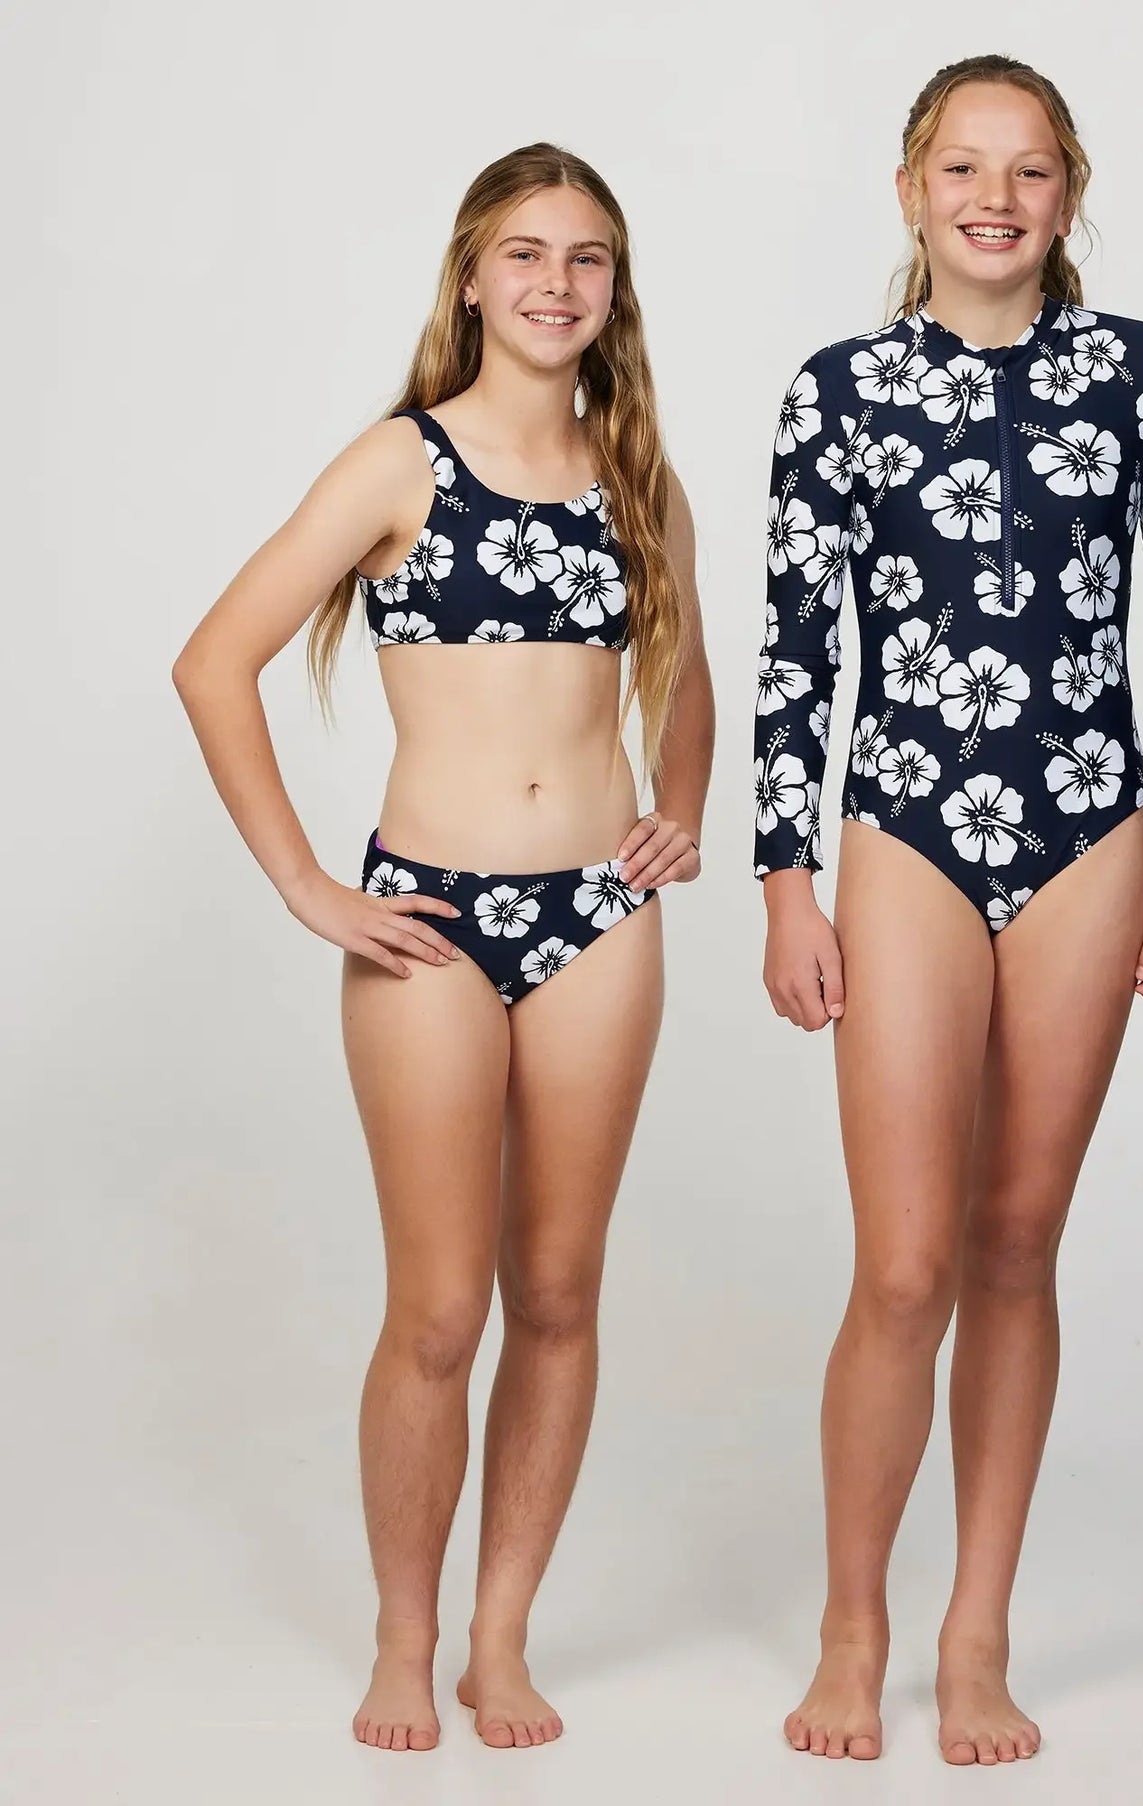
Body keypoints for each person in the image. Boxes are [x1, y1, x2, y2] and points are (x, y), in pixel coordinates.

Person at [174, 144, 713, 1754]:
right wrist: (303, 884)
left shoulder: (637, 472)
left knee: (558, 1289)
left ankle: (498, 1637)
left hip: (597, 918)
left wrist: (674, 811)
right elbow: (215, 663)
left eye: (589, 259)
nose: (557, 283)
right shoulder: (399, 463)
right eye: (527, 253)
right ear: (470, 277)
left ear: (616, 292)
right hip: (432, 920)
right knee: (438, 1309)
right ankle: (402, 1638)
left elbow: (687, 672)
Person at [755, 55, 1143, 1766]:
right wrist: (783, 878)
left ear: (1066, 192)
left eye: (1030, 170)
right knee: (902, 1260)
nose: (996, 195)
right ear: (908, 190)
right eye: (963, 165)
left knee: (1016, 1240)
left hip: (1089, 836)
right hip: (898, 834)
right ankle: (852, 1622)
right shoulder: (839, 391)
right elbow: (798, 656)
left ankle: (975, 1635)